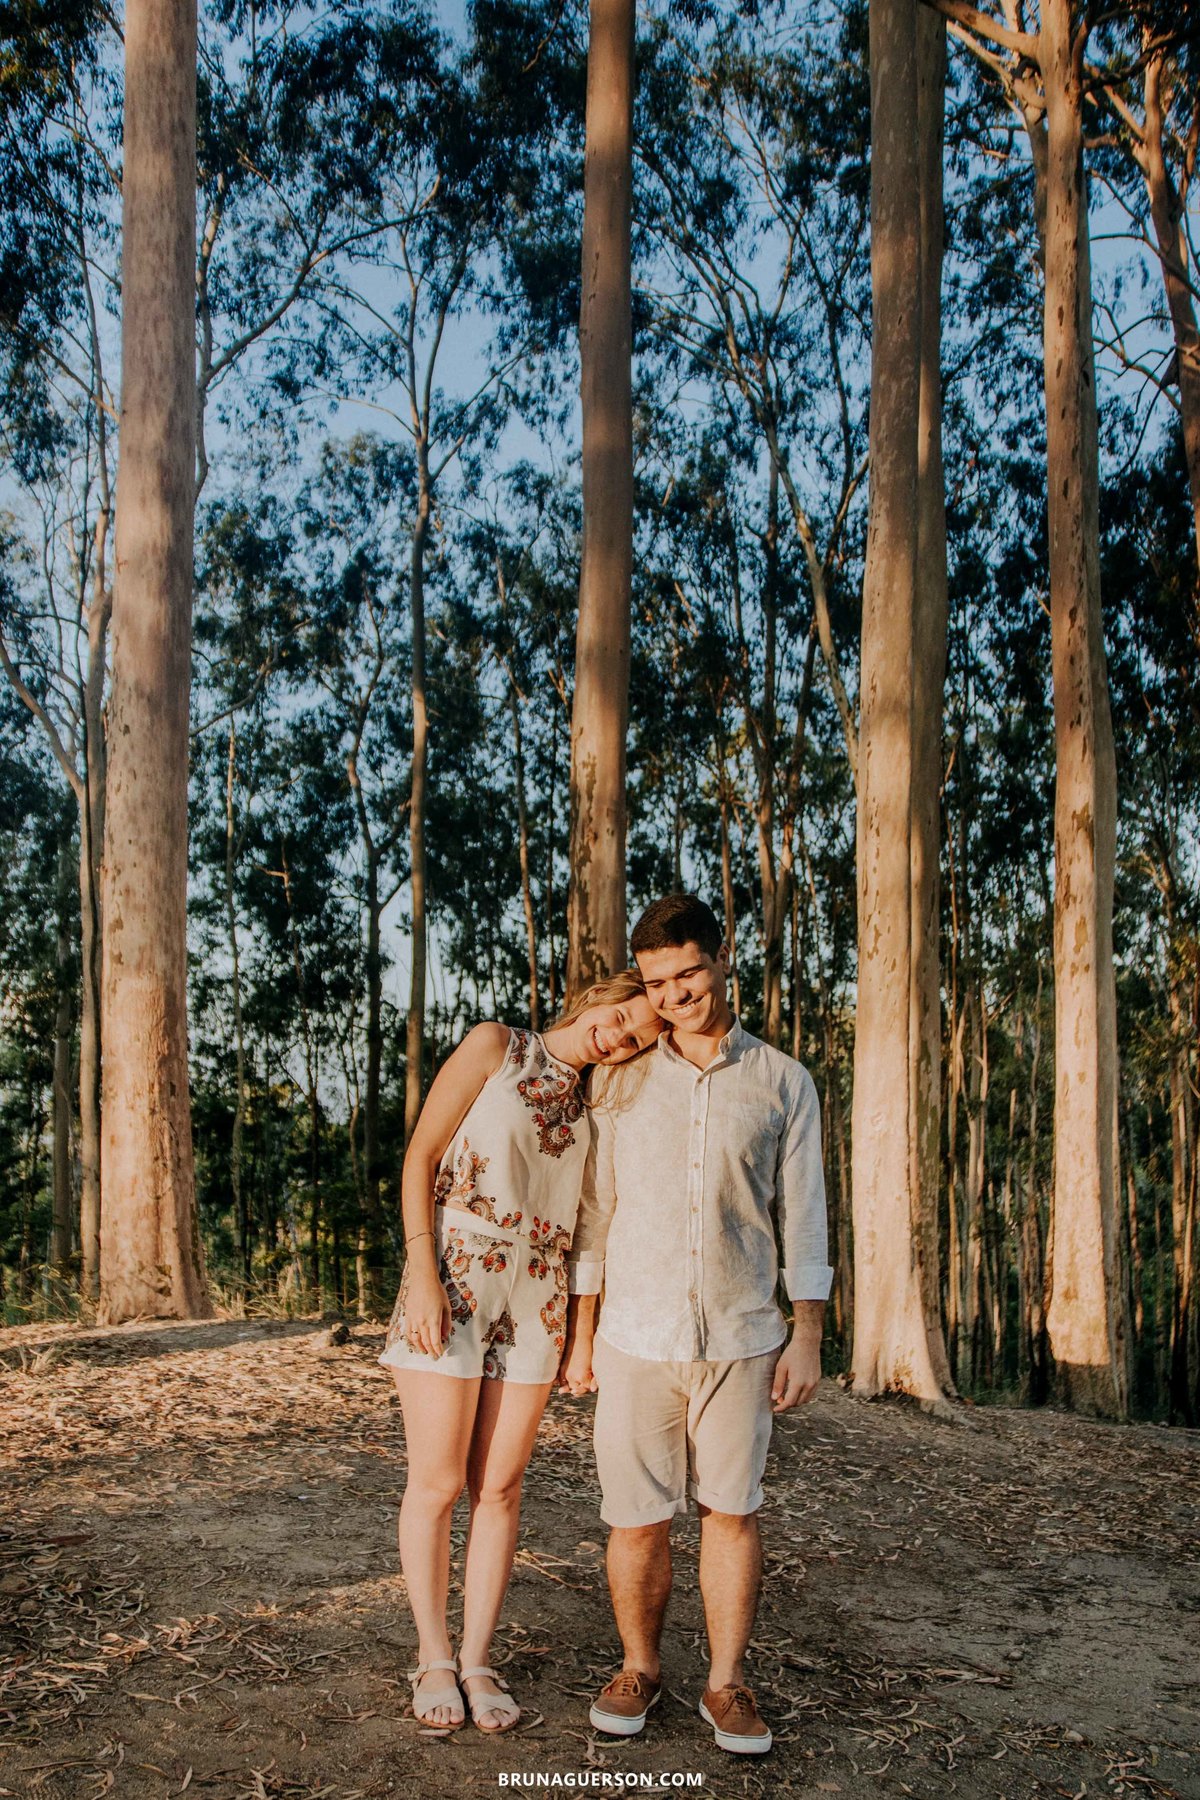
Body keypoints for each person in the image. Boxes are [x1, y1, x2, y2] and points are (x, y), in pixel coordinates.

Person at [559, 894, 832, 1756]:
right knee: (635, 1516)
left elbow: (806, 1215)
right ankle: (639, 1666)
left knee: (731, 1511)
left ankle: (726, 1682)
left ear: (721, 961)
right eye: (656, 981)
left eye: (687, 973)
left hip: (743, 1334)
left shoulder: (783, 1080)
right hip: (634, 1337)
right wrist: (580, 1331)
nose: (674, 994)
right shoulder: (621, 1075)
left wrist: (809, 1331)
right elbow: (595, 1213)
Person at [380, 975, 663, 1735]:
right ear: (598, 997)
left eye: (636, 1037)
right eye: (622, 1016)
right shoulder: (494, 1046)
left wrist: (578, 1329)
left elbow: (591, 1222)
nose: (621, 1035)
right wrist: (425, 1276)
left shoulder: (601, 1104)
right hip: (457, 1273)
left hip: (537, 1298)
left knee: (499, 1489)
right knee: (439, 1482)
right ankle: (433, 1656)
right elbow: (421, 1159)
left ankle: (477, 1659)